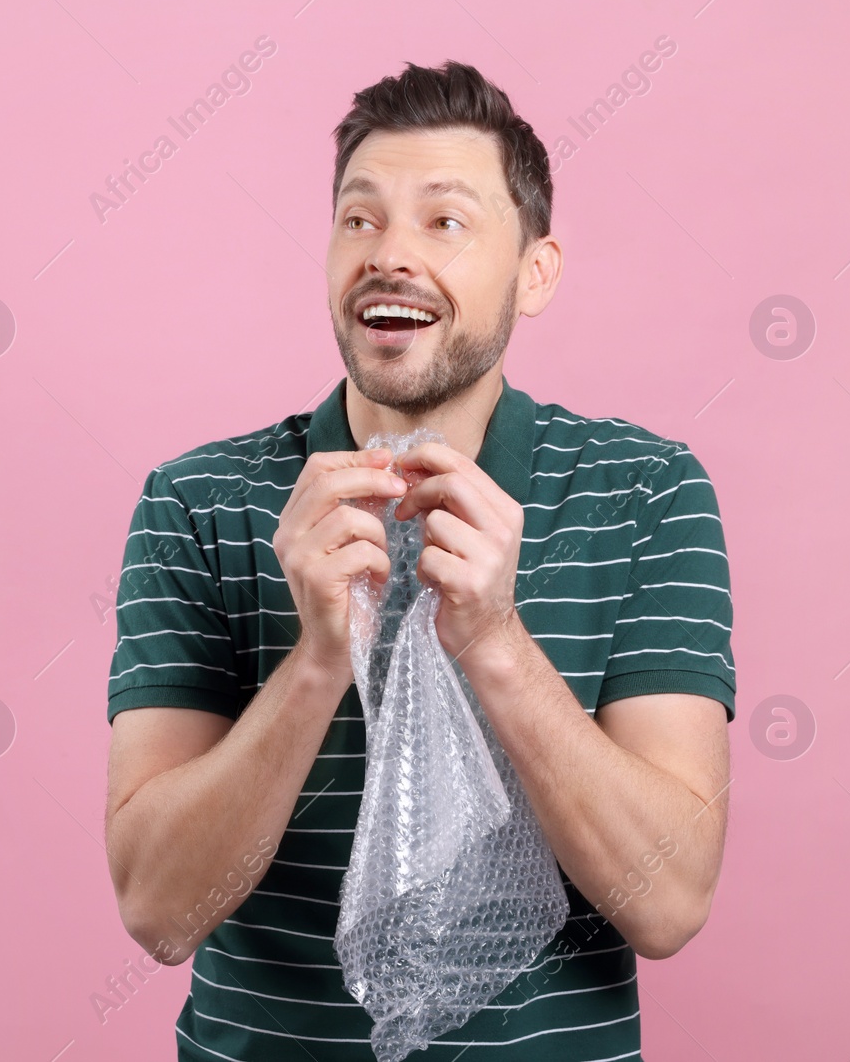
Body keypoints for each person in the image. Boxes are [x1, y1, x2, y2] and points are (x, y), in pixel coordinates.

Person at [103, 59, 735, 1061]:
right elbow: (161, 909)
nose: (388, 255)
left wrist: (490, 636)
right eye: (360, 219)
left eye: (444, 221)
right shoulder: (198, 502)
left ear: (535, 270)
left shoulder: (643, 492)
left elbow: (666, 901)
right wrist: (315, 658)